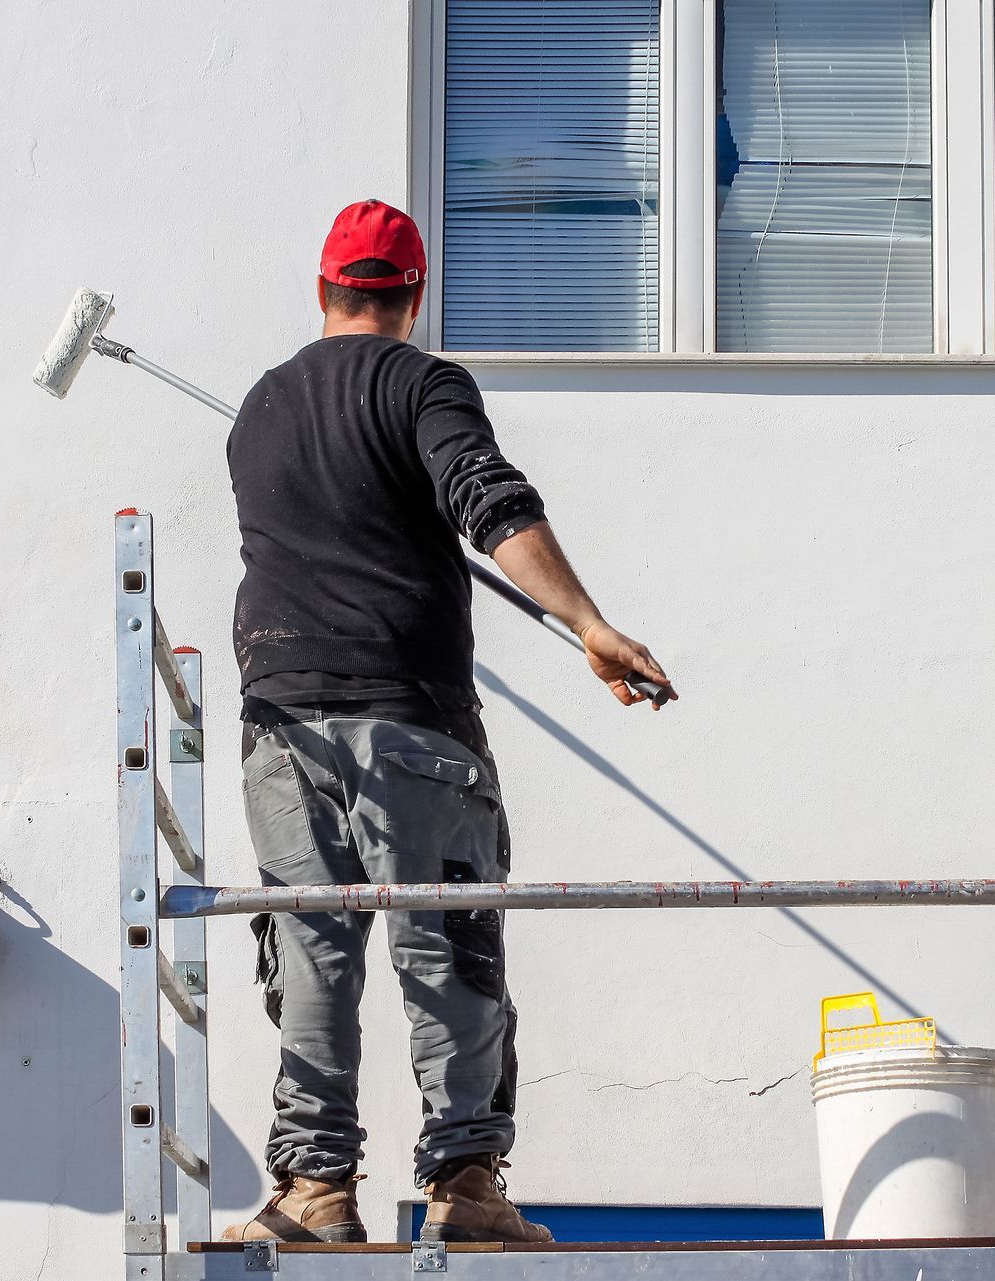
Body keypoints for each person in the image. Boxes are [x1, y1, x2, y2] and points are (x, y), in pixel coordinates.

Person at [222, 200, 677, 1245]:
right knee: (446, 944)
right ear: (414, 295)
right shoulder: (423, 382)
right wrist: (590, 625)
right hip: (409, 721)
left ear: (324, 290)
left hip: (281, 725)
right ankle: (466, 1191)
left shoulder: (259, 407)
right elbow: (489, 499)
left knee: (310, 953)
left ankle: (311, 1193)